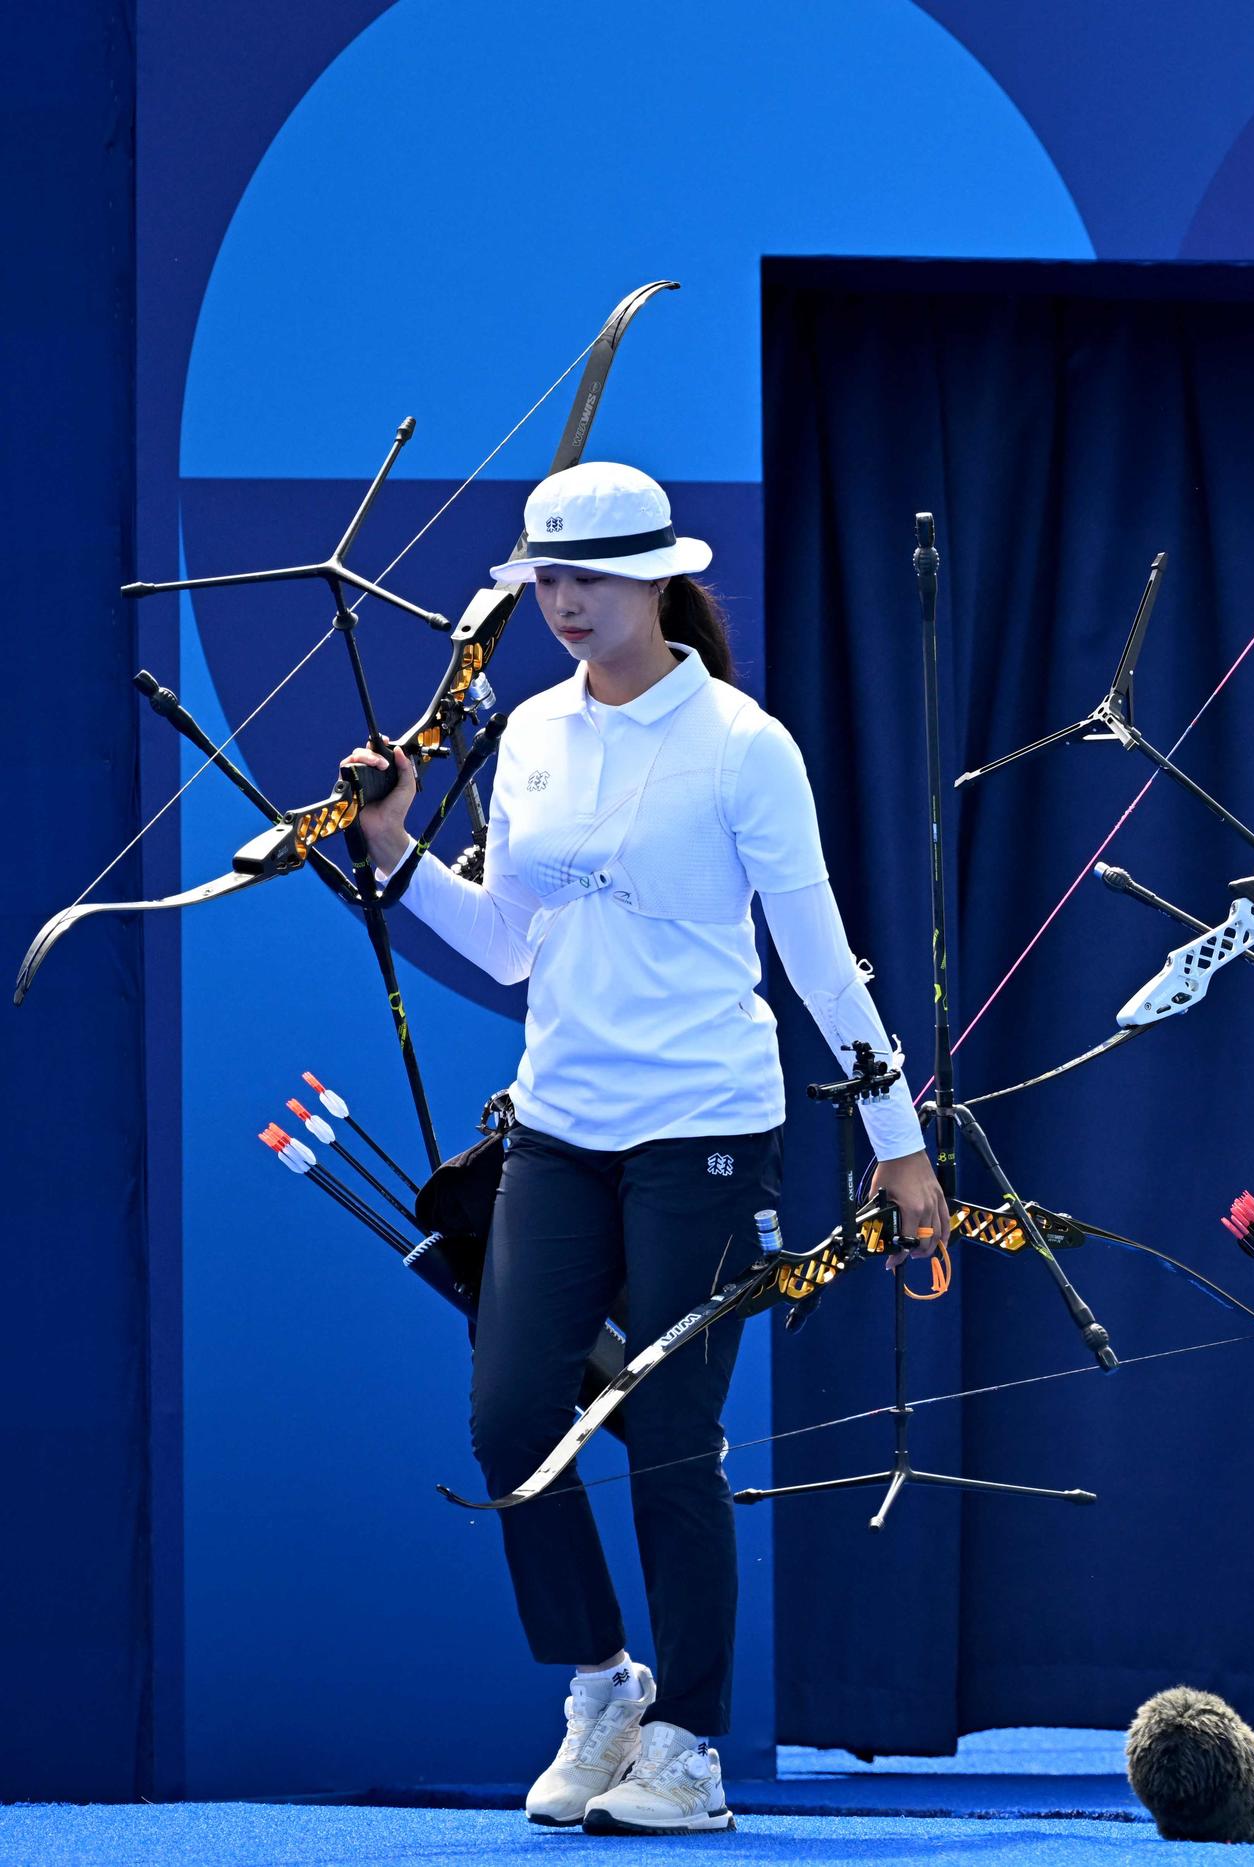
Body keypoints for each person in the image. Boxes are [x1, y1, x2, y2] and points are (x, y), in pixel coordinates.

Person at [349, 461, 946, 1835]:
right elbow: (509, 940)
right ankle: (605, 1681)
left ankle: (688, 1744)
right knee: (512, 1417)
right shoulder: (534, 734)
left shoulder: (744, 742)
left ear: (660, 578)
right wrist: (390, 851)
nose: (564, 600)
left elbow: (814, 956)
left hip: (710, 1129)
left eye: (592, 576)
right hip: (559, 1125)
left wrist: (897, 1143)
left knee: (672, 1428)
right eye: (547, 577)